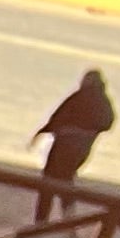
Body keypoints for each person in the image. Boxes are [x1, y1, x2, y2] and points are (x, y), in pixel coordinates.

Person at [30, 68, 114, 224]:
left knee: (51, 179)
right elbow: (107, 123)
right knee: (64, 180)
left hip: (65, 147)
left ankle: (43, 221)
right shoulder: (102, 101)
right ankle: (66, 221)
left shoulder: (81, 97)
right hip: (79, 150)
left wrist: (73, 130)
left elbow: (57, 118)